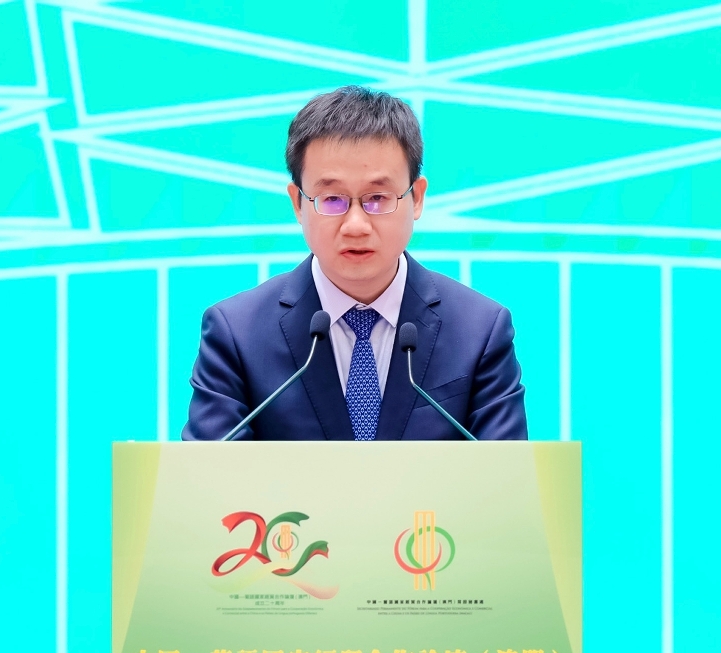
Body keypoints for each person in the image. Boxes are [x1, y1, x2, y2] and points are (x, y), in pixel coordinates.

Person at [183, 86, 527, 441]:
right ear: (298, 204)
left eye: (377, 197)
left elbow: (505, 473)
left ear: (417, 198)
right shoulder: (236, 334)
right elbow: (211, 473)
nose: (356, 225)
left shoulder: (480, 331)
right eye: (332, 199)